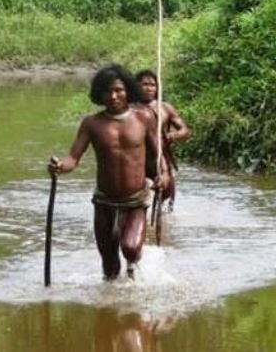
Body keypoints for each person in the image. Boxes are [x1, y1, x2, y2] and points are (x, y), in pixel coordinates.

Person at [48, 65, 170, 280]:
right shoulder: (92, 124)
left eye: (118, 90)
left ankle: (134, 271)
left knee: (130, 248)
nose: (113, 96)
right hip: (104, 201)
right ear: (99, 94)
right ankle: (112, 303)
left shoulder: (144, 118)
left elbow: (157, 154)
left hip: (135, 200)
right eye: (107, 91)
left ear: (128, 91)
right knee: (109, 264)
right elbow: (73, 158)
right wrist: (60, 167)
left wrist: (164, 173)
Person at [135, 69, 192, 211]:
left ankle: (164, 226)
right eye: (145, 84)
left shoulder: (165, 108)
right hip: (137, 159)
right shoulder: (130, 109)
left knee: (166, 198)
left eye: (152, 85)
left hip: (161, 158)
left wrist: (171, 136)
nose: (149, 88)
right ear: (136, 87)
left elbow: (185, 131)